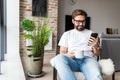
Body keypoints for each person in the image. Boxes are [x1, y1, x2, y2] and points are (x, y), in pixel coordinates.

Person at [51, 9, 103, 80]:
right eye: (78, 21)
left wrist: (95, 46)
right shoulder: (67, 34)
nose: (81, 24)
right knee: (58, 58)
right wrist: (68, 55)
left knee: (96, 76)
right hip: (72, 60)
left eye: (83, 21)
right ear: (73, 21)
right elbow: (61, 52)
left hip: (88, 60)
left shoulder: (91, 33)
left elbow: (97, 54)